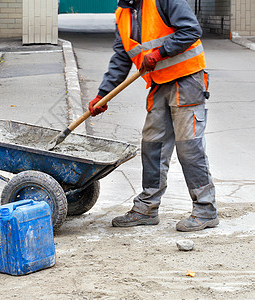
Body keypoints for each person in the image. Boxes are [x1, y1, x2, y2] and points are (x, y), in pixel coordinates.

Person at [89, 0, 218, 231]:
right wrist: (103, 94)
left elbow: (191, 30)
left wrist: (160, 52)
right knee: (152, 145)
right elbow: (122, 57)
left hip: (186, 78)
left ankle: (205, 210)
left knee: (189, 147)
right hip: (158, 84)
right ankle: (147, 207)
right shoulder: (123, 13)